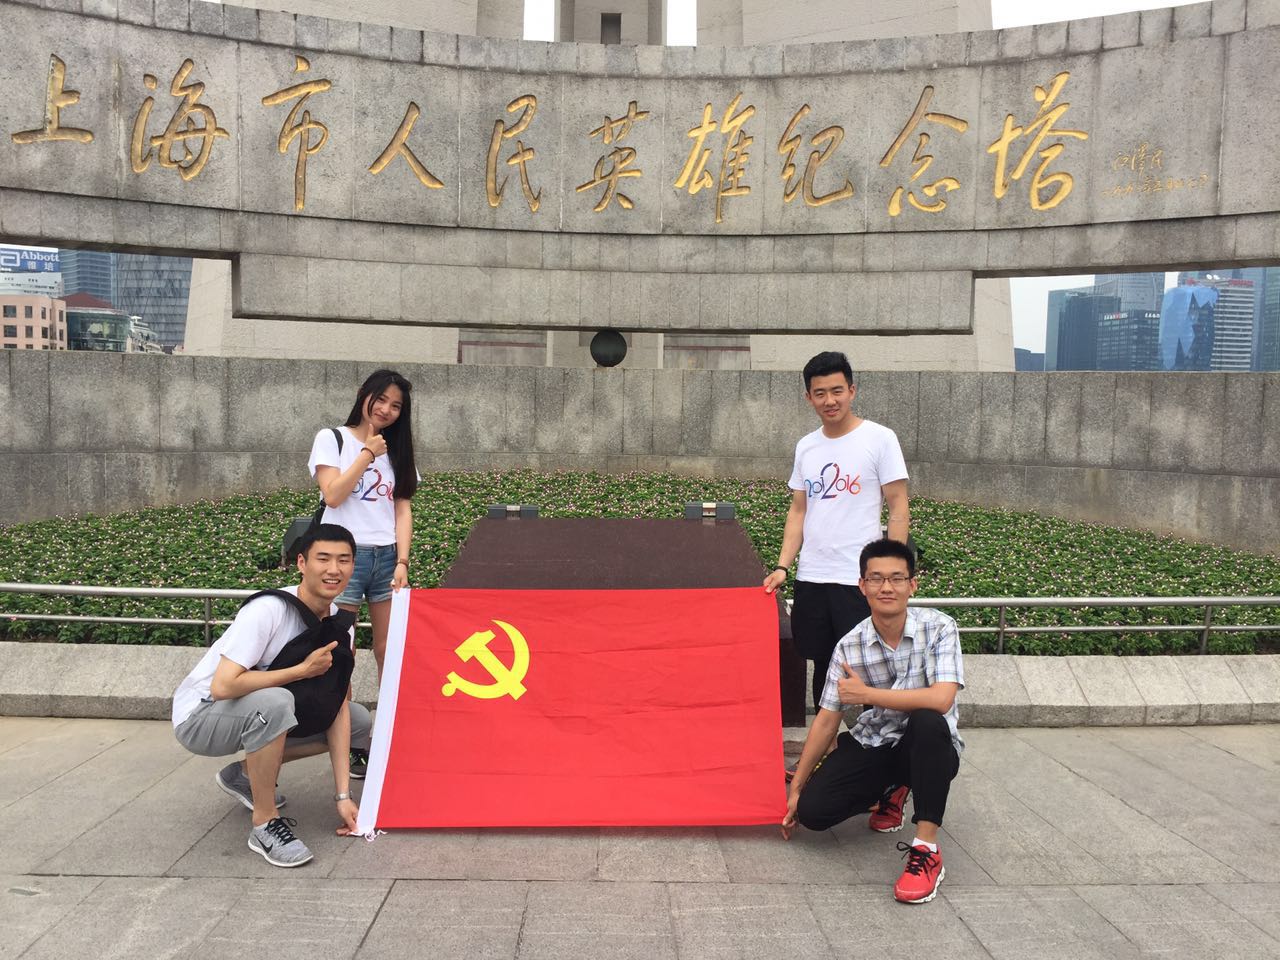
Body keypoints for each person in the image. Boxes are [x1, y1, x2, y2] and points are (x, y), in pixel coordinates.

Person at [171, 523, 371, 868]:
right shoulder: (268, 610)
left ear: (353, 566)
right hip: (202, 715)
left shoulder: (341, 624)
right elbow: (223, 686)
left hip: (260, 709)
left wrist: (342, 796)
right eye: (323, 558)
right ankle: (264, 824)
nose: (334, 569)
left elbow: (336, 704)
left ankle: (244, 774)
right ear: (301, 563)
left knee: (359, 719)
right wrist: (301, 671)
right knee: (276, 703)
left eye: (344, 560)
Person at [782, 538, 964, 904]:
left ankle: (926, 849)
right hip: (876, 743)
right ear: (862, 586)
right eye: (876, 578)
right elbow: (826, 720)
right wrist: (797, 789)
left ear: (912, 584)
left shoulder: (940, 628)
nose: (886, 587)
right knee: (813, 813)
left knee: (928, 721)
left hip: (929, 748)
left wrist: (867, 695)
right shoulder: (849, 646)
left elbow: (941, 699)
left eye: (897, 578)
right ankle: (892, 789)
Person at [763, 351, 910, 740]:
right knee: (823, 665)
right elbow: (798, 511)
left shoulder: (879, 439)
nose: (830, 400)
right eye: (820, 393)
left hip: (858, 580)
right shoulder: (806, 447)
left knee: (870, 668)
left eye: (837, 391)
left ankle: (880, 753)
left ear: (852, 391)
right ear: (808, 397)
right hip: (813, 577)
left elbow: (898, 506)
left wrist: (892, 573)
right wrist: (783, 566)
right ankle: (826, 753)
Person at [309, 369, 418, 777]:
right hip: (343, 560)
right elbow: (333, 495)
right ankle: (353, 741)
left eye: (396, 406)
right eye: (382, 400)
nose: (387, 410)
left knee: (389, 650)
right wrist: (367, 453)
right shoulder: (333, 439)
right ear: (363, 394)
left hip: (386, 558)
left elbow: (402, 508)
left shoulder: (398, 450)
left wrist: (403, 561)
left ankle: (388, 735)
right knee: (344, 653)